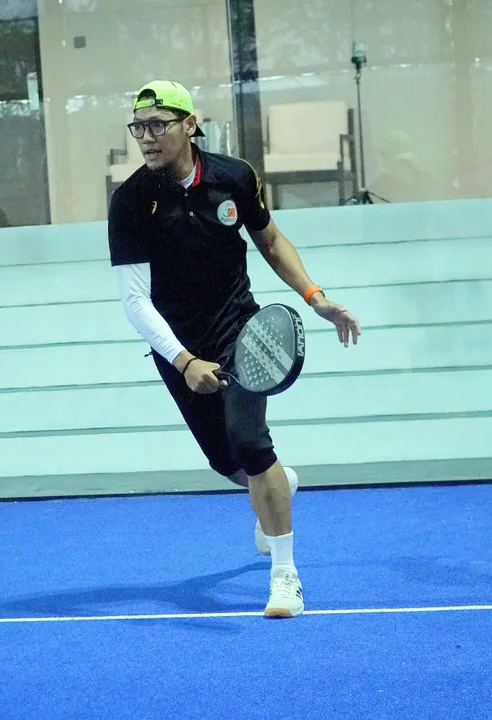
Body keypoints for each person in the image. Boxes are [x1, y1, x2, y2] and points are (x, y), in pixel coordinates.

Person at [107, 80, 361, 618]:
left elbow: (270, 239)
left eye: (158, 125)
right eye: (138, 127)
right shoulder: (129, 201)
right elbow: (134, 300)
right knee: (226, 461)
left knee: (250, 442)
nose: (146, 137)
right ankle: (279, 483)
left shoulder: (234, 176)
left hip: (241, 330)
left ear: (189, 125)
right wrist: (183, 361)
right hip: (177, 344)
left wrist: (315, 297)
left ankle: (285, 576)